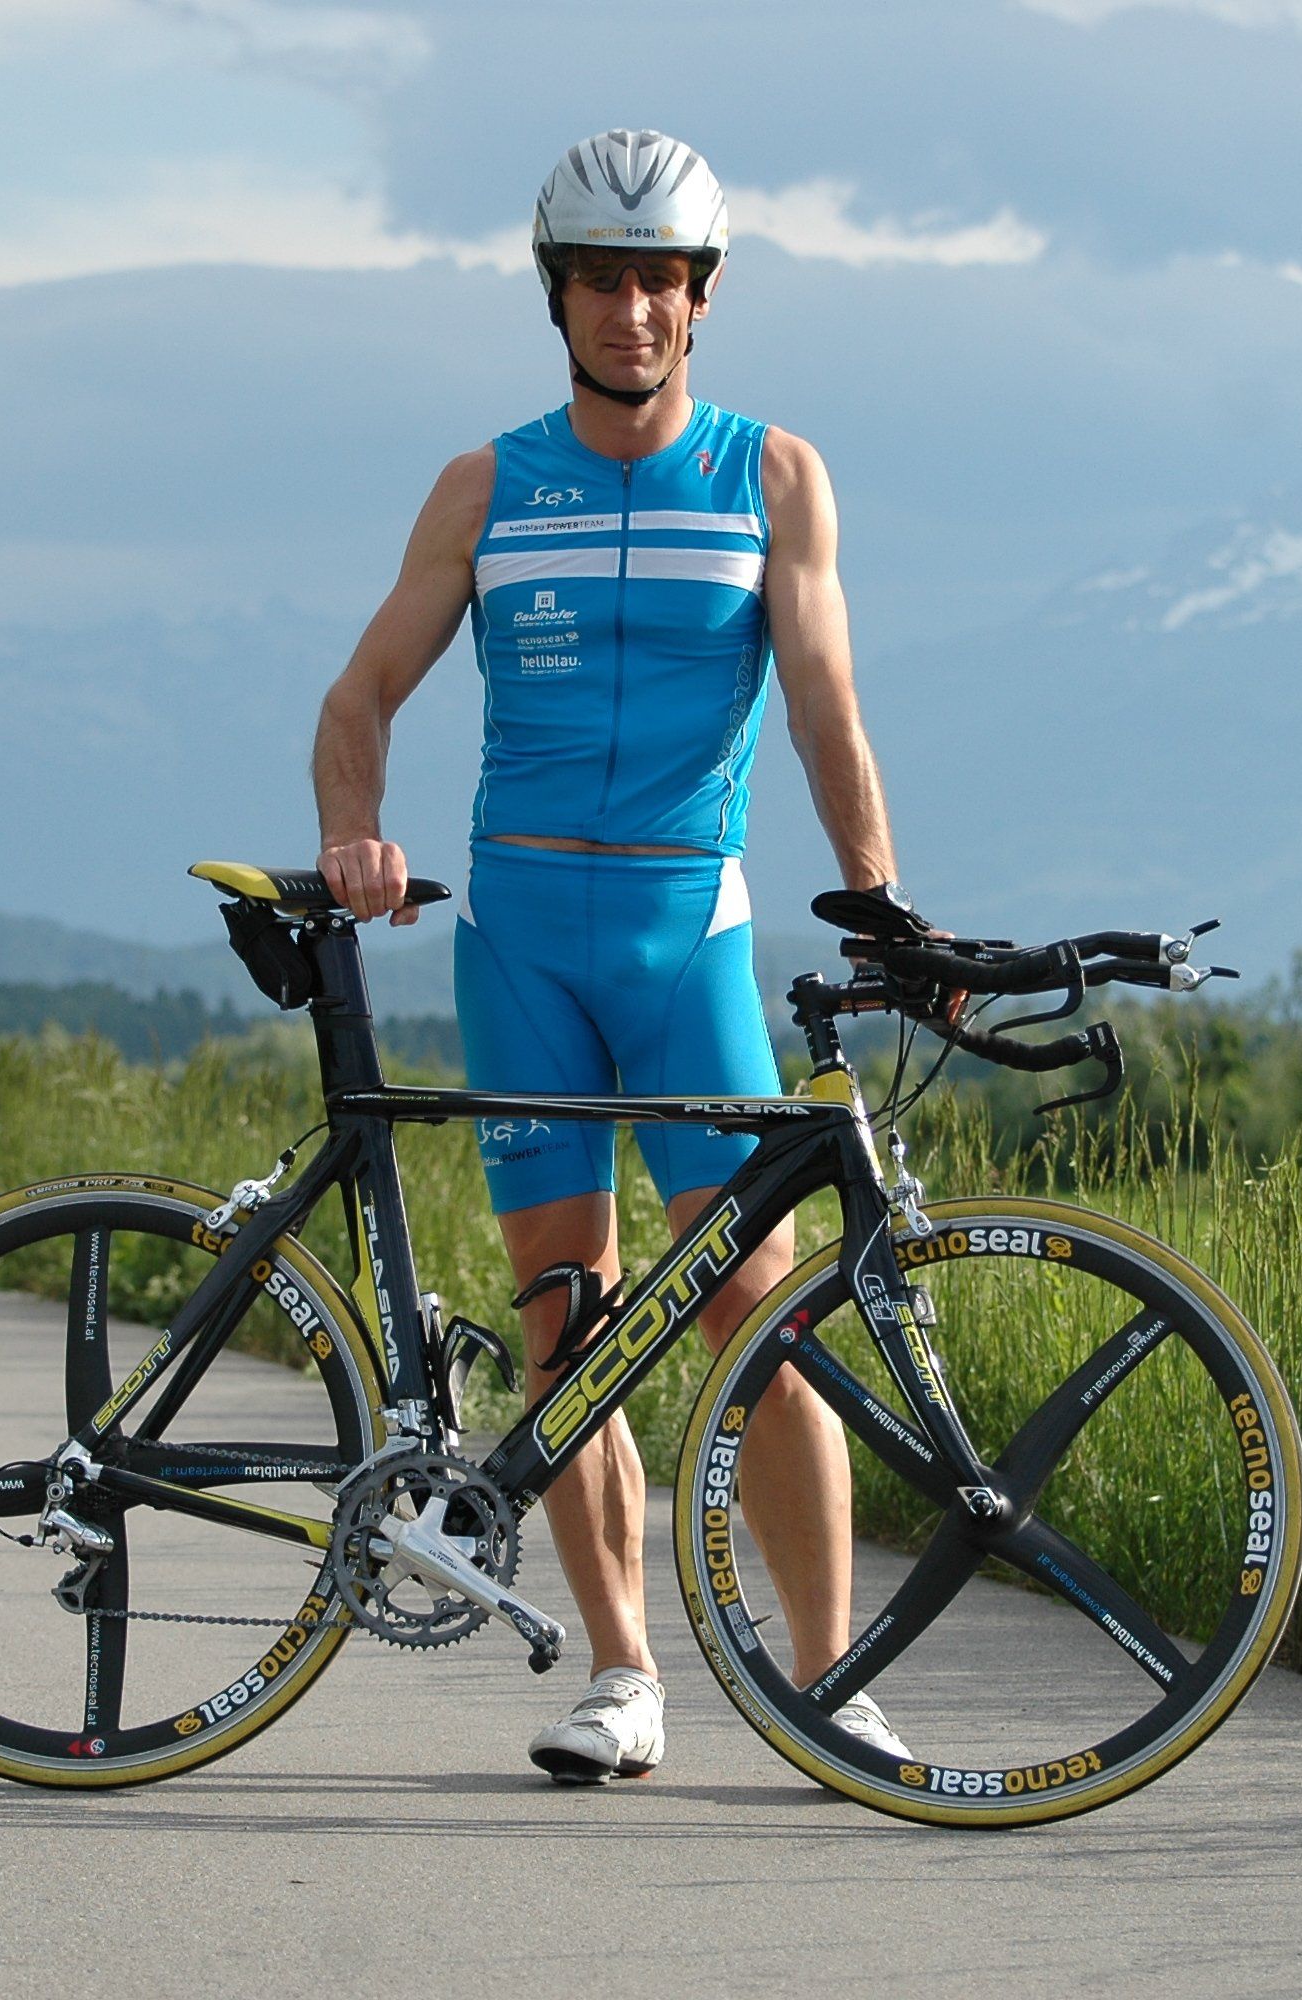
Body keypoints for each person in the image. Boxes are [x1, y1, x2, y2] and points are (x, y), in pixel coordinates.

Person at [313, 128, 919, 1785]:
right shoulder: (487, 487)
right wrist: (357, 834)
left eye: (659, 280)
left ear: (701, 298)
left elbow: (824, 707)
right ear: (558, 294)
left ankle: (828, 1683)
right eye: (600, 278)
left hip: (684, 934)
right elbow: (359, 698)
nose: (631, 309)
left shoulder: (772, 475)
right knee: (564, 1325)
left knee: (755, 1318)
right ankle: (621, 1677)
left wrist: (877, 901)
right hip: (520, 943)